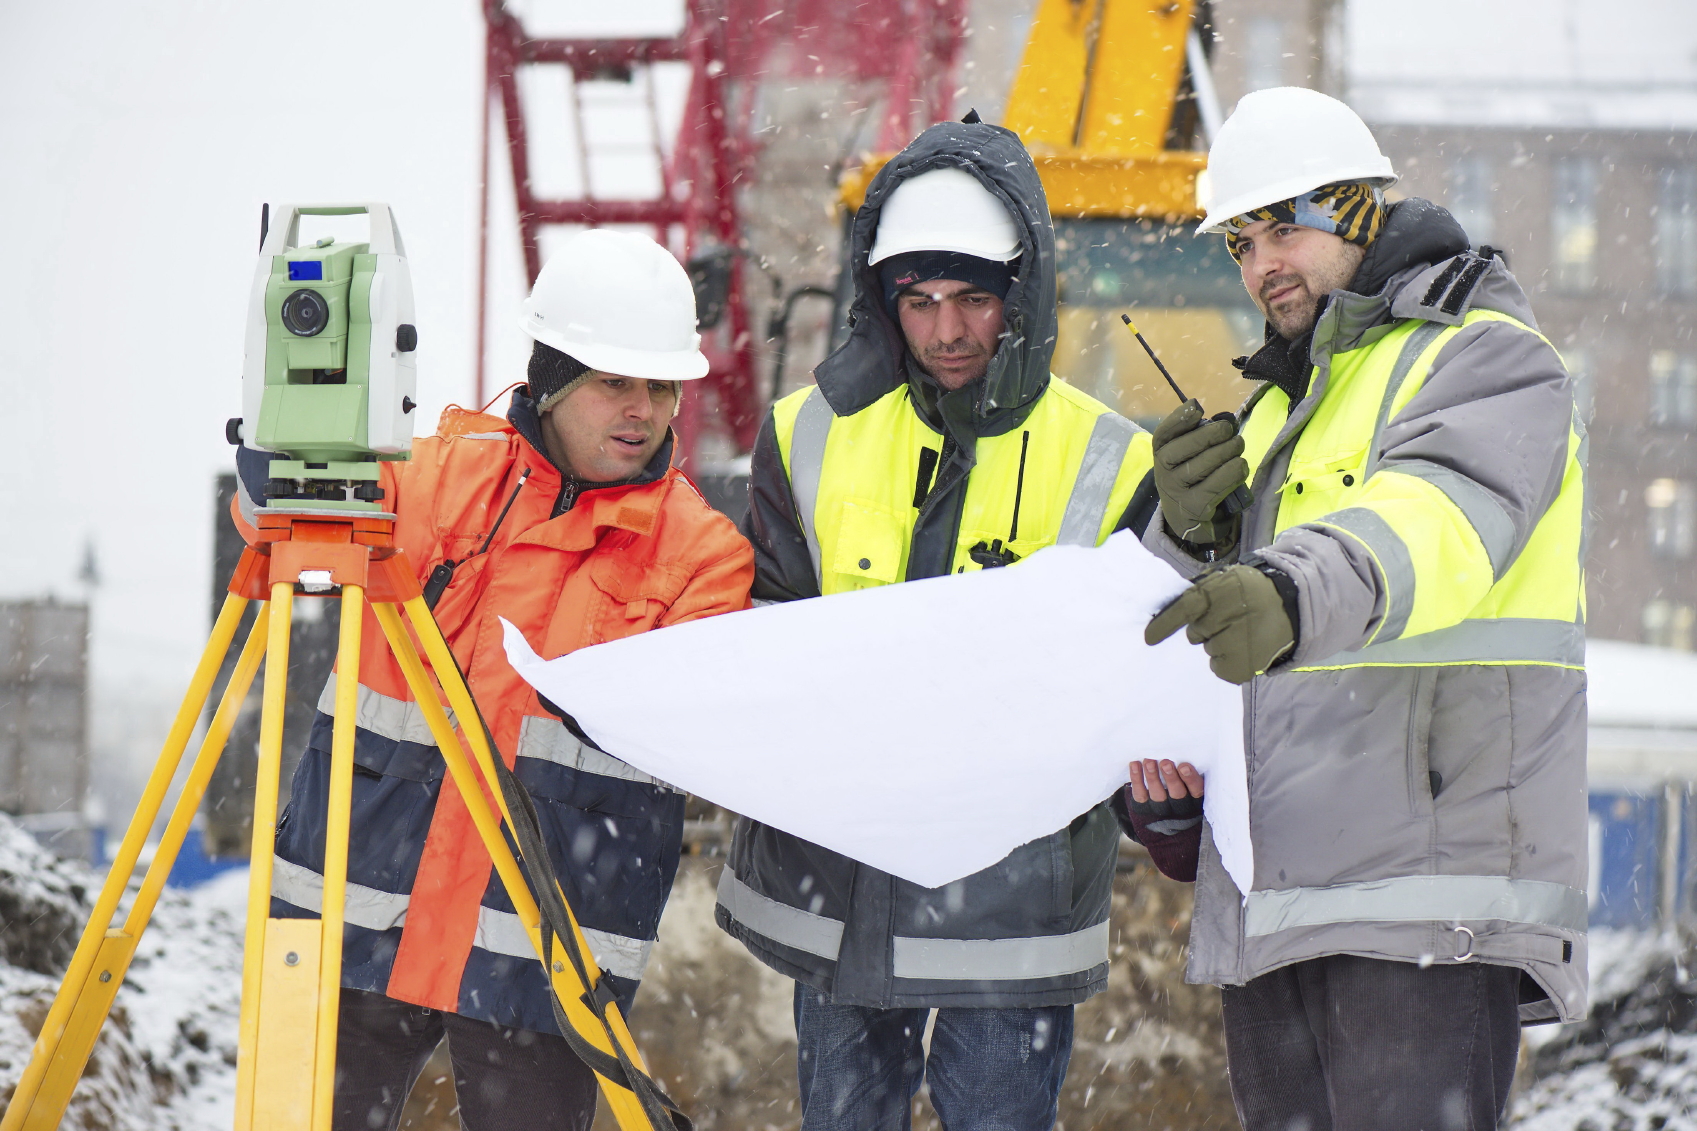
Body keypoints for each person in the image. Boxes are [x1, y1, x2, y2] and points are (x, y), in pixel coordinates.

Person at [233, 228, 754, 1131]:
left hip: (544, 949)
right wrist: (266, 481)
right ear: (550, 376)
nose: (641, 409)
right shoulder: (432, 473)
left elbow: (711, 737)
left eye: (660, 386)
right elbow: (280, 529)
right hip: (357, 912)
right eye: (613, 382)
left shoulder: (703, 556)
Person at [1142, 86, 1588, 1130]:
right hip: (1280, 902)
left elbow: (1430, 523)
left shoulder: (1482, 357)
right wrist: (1181, 533)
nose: (1261, 265)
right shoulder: (1271, 413)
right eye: (1239, 243)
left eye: (1285, 225)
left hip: (1422, 898)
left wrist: (1284, 588)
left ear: (1358, 208)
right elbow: (1189, 631)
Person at [714, 114, 1158, 1131]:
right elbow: (766, 631)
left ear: (1022, 293)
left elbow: (1130, 689)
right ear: (882, 299)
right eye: (916, 301)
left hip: (1012, 913)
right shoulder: (803, 433)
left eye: (971, 299)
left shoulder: (1109, 460)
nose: (946, 331)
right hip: (841, 893)